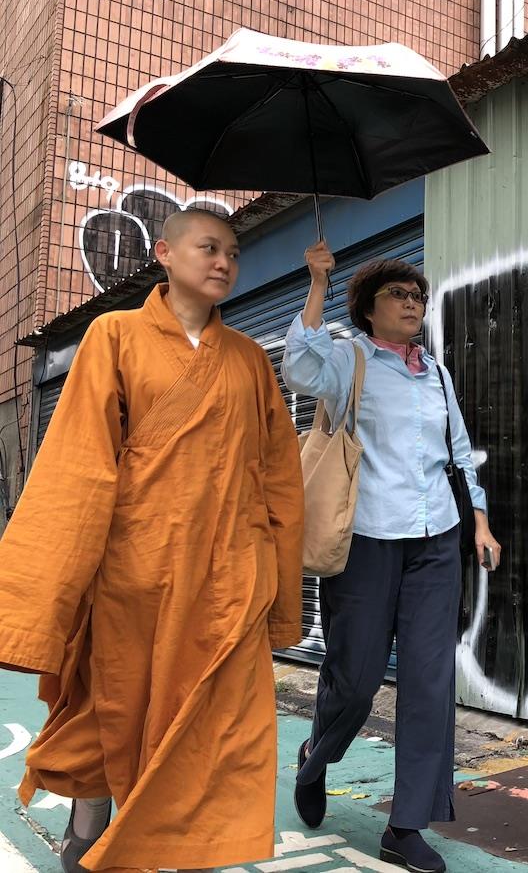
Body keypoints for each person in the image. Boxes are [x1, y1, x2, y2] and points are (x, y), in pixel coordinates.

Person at [0, 209, 304, 873]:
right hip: (135, 576)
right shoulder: (114, 336)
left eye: (233, 252)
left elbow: (279, 478)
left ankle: (179, 848)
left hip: (228, 583)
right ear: (164, 253)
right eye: (209, 247)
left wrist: (279, 592)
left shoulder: (252, 362)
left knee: (219, 733)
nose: (224, 261)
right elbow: (79, 465)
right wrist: (49, 595)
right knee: (118, 710)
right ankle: (89, 830)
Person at [284, 241, 500, 873]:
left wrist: (480, 521)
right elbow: (297, 365)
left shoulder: (434, 371)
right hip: (366, 540)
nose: (413, 305)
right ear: (369, 306)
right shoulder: (346, 358)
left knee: (430, 681)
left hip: (436, 540)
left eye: (418, 297)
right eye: (399, 296)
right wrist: (318, 283)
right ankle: (316, 755)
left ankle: (405, 827)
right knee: (354, 678)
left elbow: (458, 452)